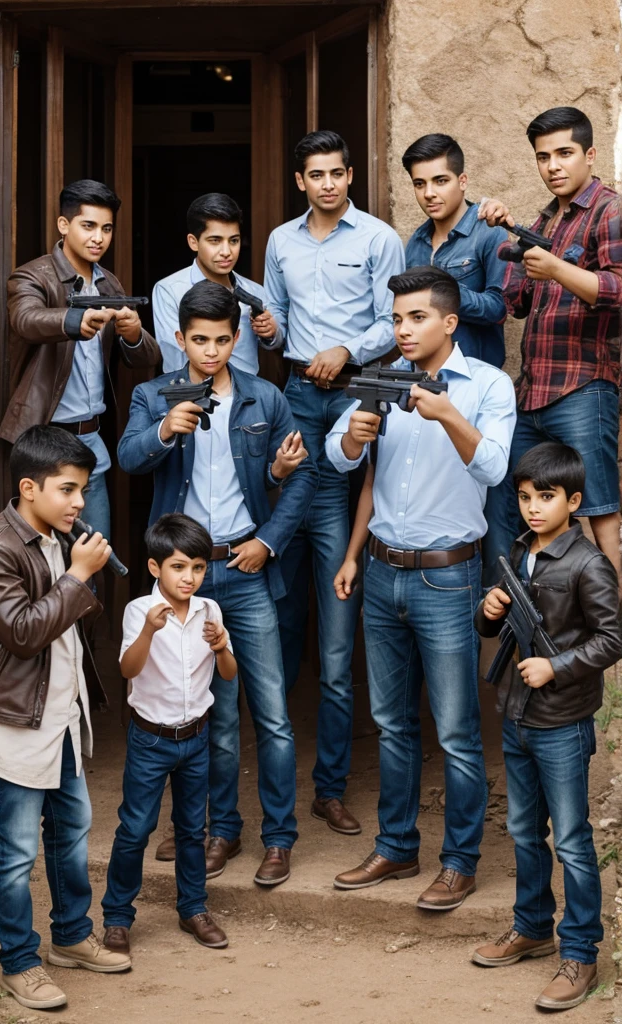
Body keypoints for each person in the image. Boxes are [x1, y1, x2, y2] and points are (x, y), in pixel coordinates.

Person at [118, 280, 317, 886]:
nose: (210, 351)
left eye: (221, 340)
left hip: (244, 568)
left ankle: (279, 839)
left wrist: (268, 540)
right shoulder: (153, 394)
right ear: (179, 339)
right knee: (220, 720)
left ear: (236, 340)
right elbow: (127, 459)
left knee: (274, 714)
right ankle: (221, 831)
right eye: (198, 340)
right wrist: (165, 431)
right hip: (185, 583)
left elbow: (301, 478)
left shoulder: (265, 397)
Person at [327, 267, 515, 907]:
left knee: (458, 731)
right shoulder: (381, 378)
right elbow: (342, 457)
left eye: (416, 318)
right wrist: (350, 438)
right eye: (398, 319)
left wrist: (446, 415)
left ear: (449, 322)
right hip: (381, 572)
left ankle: (460, 862)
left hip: (448, 576)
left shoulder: (488, 386)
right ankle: (395, 848)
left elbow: (492, 466)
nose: (403, 330)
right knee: (391, 723)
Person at [0, 426, 131, 1012]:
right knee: (17, 849)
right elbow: (25, 633)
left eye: (83, 490)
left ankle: (72, 938)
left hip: (60, 712)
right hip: (12, 720)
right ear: (30, 487)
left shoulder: (57, 535)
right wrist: (79, 575)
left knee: (72, 831)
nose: (80, 503)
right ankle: (19, 962)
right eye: (69, 490)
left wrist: (77, 573)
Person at [264, 129, 405, 835]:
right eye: (314, 174)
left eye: (336, 173)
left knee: (338, 620)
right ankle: (271, 775)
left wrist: (346, 348)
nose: (326, 183)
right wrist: (270, 333)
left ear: (351, 174)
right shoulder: (280, 241)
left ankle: (331, 785)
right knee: (282, 613)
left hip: (355, 395)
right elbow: (278, 322)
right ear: (299, 181)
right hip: (293, 395)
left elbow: (393, 321)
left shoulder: (379, 238)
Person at [472, 442, 622, 1011]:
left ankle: (580, 951)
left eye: (547, 498)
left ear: (574, 500)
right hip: (517, 715)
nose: (534, 508)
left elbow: (613, 638)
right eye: (526, 497)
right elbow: (497, 631)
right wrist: (488, 613)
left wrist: (555, 666)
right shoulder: (517, 550)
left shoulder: (589, 564)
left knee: (575, 842)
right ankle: (532, 926)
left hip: (561, 721)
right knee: (521, 829)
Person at [479, 107, 622, 582]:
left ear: (590, 154)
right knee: (516, 506)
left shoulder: (609, 209)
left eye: (565, 153)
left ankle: (611, 628)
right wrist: (508, 234)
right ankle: (536, 615)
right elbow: (516, 302)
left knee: (599, 511)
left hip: (584, 387)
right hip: (533, 393)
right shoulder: (545, 218)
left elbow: (618, 288)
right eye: (544, 157)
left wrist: (557, 267)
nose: (554, 166)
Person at [102, 514, 237, 955]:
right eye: (179, 566)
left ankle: (193, 908)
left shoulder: (210, 611)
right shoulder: (139, 611)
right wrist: (148, 632)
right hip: (151, 739)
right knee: (136, 829)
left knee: (191, 828)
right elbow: (128, 670)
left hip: (196, 738)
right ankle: (118, 918)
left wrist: (220, 647)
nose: (190, 577)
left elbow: (230, 673)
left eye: (198, 567)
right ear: (155, 568)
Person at [0, 179, 160, 538]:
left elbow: (146, 358)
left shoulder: (109, 285)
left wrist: (133, 333)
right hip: (45, 441)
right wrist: (74, 321)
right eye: (88, 226)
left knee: (92, 557)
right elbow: (26, 319)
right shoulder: (33, 275)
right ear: (64, 225)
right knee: (43, 559)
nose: (98, 238)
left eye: (106, 228)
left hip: (91, 440)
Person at [403, 133, 507, 368]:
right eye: (420, 184)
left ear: (462, 181)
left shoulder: (489, 232)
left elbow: (498, 308)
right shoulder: (416, 242)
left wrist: (442, 291)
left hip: (474, 377)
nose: (429, 193)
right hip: (424, 380)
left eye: (440, 181)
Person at [152, 192, 283, 374]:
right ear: (193, 242)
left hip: (246, 397)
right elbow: (175, 359)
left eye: (234, 241)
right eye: (215, 241)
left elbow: (272, 344)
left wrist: (270, 333)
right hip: (193, 396)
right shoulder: (169, 290)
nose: (226, 251)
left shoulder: (254, 291)